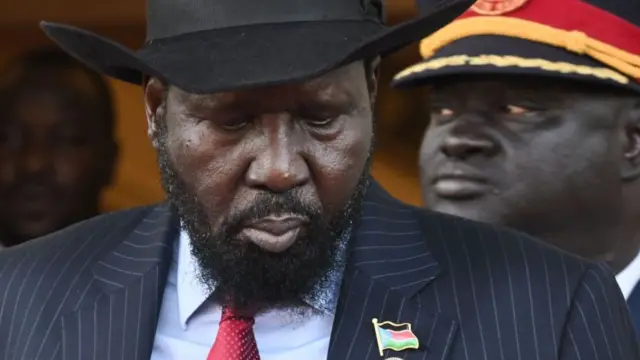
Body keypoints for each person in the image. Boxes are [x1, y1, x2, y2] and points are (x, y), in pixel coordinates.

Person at [0, 0, 637, 359]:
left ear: (371, 95)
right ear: (157, 112)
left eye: (321, 118)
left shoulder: (551, 309)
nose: (280, 167)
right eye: (234, 120)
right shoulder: (21, 298)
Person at [393, 0, 640, 331]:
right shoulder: (375, 318)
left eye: (515, 109)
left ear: (633, 141)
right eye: (444, 111)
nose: (456, 140)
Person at [0, 47, 118, 248]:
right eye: (7, 138)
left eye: (66, 139)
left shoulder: (159, 273)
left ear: (109, 161)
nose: (33, 164)